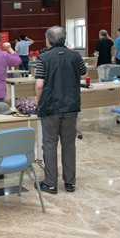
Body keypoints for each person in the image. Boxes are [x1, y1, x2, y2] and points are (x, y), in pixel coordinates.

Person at [35, 26, 87, 194]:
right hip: (71, 105)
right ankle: (70, 183)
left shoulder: (43, 58)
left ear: (48, 40)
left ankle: (50, 183)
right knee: (69, 145)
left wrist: (37, 101)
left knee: (50, 145)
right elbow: (84, 73)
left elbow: (40, 84)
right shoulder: (75, 56)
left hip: (51, 106)